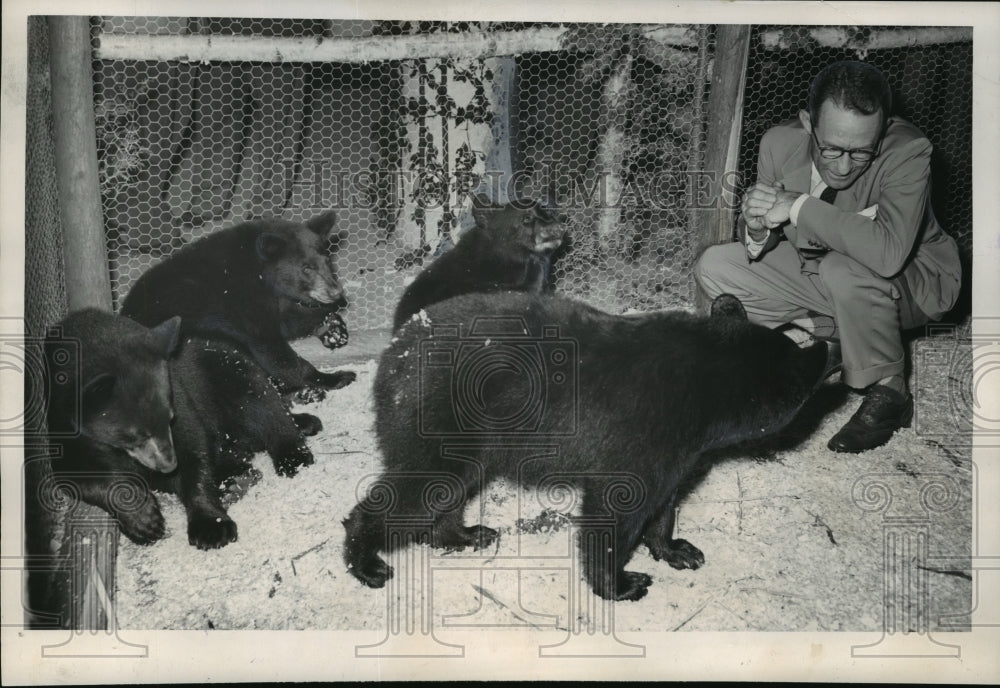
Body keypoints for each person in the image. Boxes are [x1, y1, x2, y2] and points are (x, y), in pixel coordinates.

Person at [695, 60, 961, 453]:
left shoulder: (909, 151)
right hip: (828, 270)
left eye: (860, 153)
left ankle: (891, 394)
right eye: (831, 148)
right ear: (808, 123)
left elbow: (888, 256)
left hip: (916, 284)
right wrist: (756, 228)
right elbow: (776, 238)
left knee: (843, 267)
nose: (843, 166)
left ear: (884, 129)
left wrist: (798, 205)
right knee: (716, 267)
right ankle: (837, 333)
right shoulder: (777, 144)